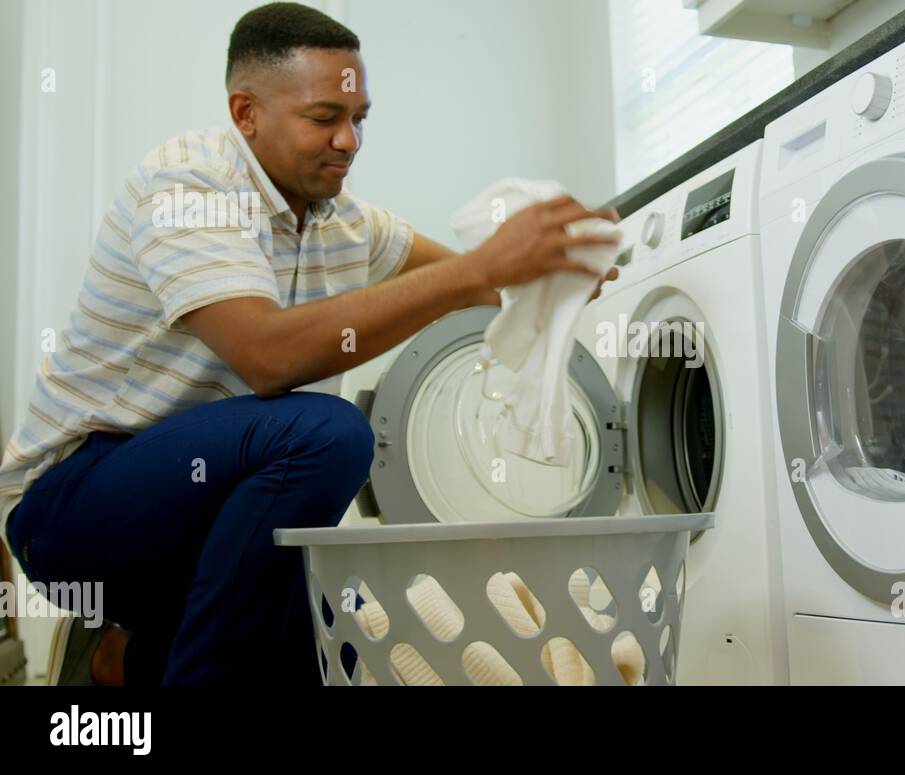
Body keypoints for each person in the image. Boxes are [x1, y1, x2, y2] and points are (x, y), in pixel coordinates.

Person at [0, 2, 619, 686]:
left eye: (359, 120)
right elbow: (267, 356)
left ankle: (126, 660)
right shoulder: (188, 183)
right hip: (70, 511)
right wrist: (481, 268)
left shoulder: (346, 222)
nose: (349, 141)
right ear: (246, 113)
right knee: (328, 432)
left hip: (189, 522)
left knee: (342, 640)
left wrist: (555, 277)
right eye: (325, 118)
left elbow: (474, 288)